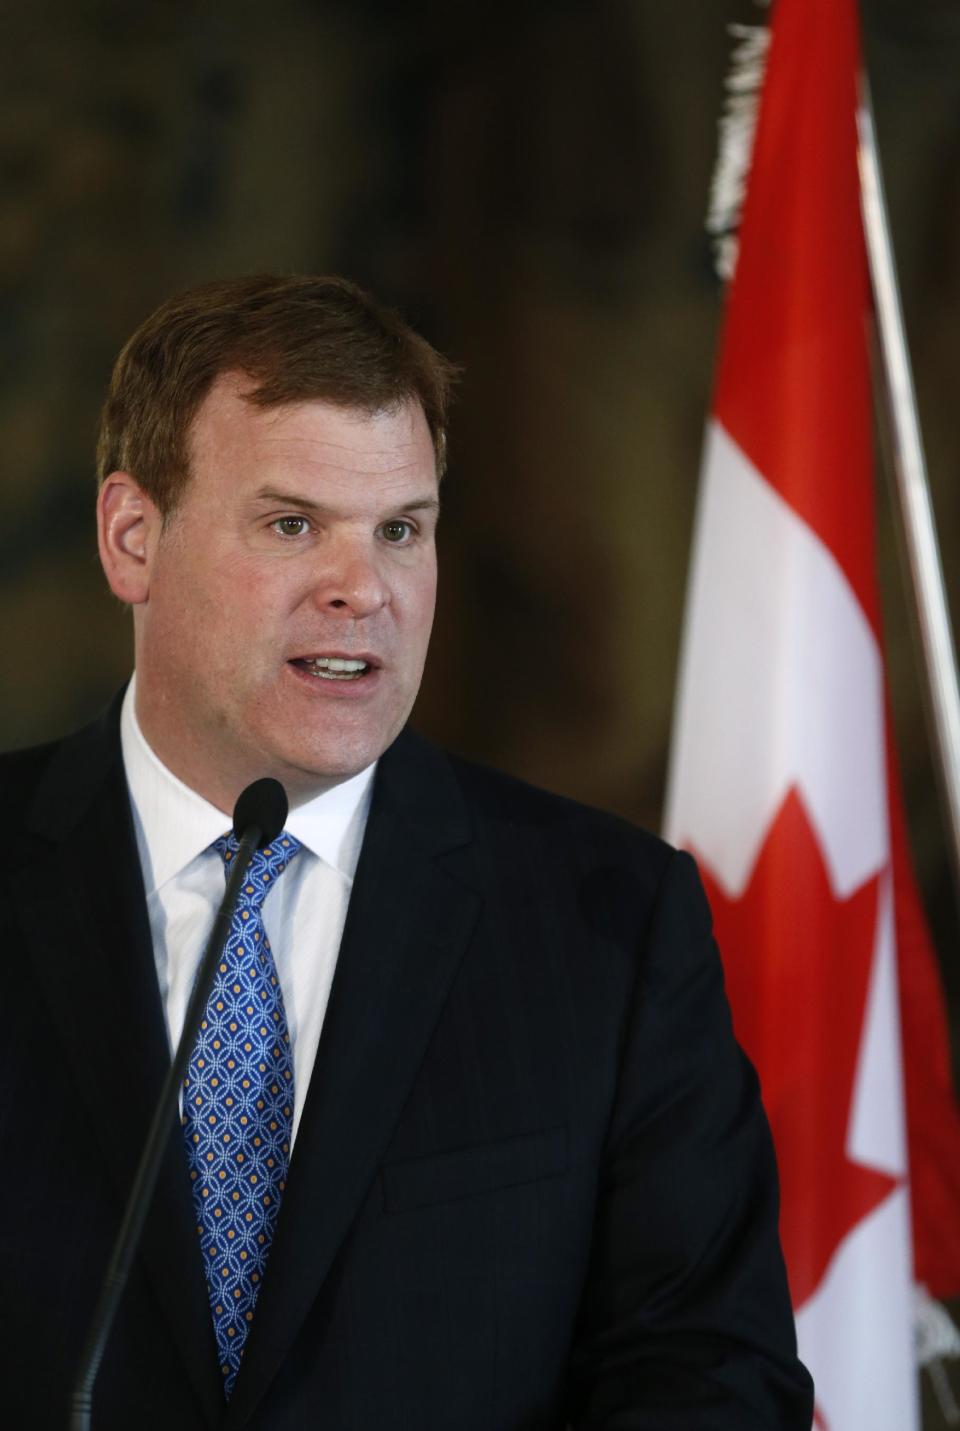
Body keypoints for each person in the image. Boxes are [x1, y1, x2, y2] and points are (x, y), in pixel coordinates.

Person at [0, 274, 813, 1429]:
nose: (363, 589)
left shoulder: (608, 925)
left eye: (401, 530)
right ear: (133, 538)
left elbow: (709, 1378)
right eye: (293, 525)